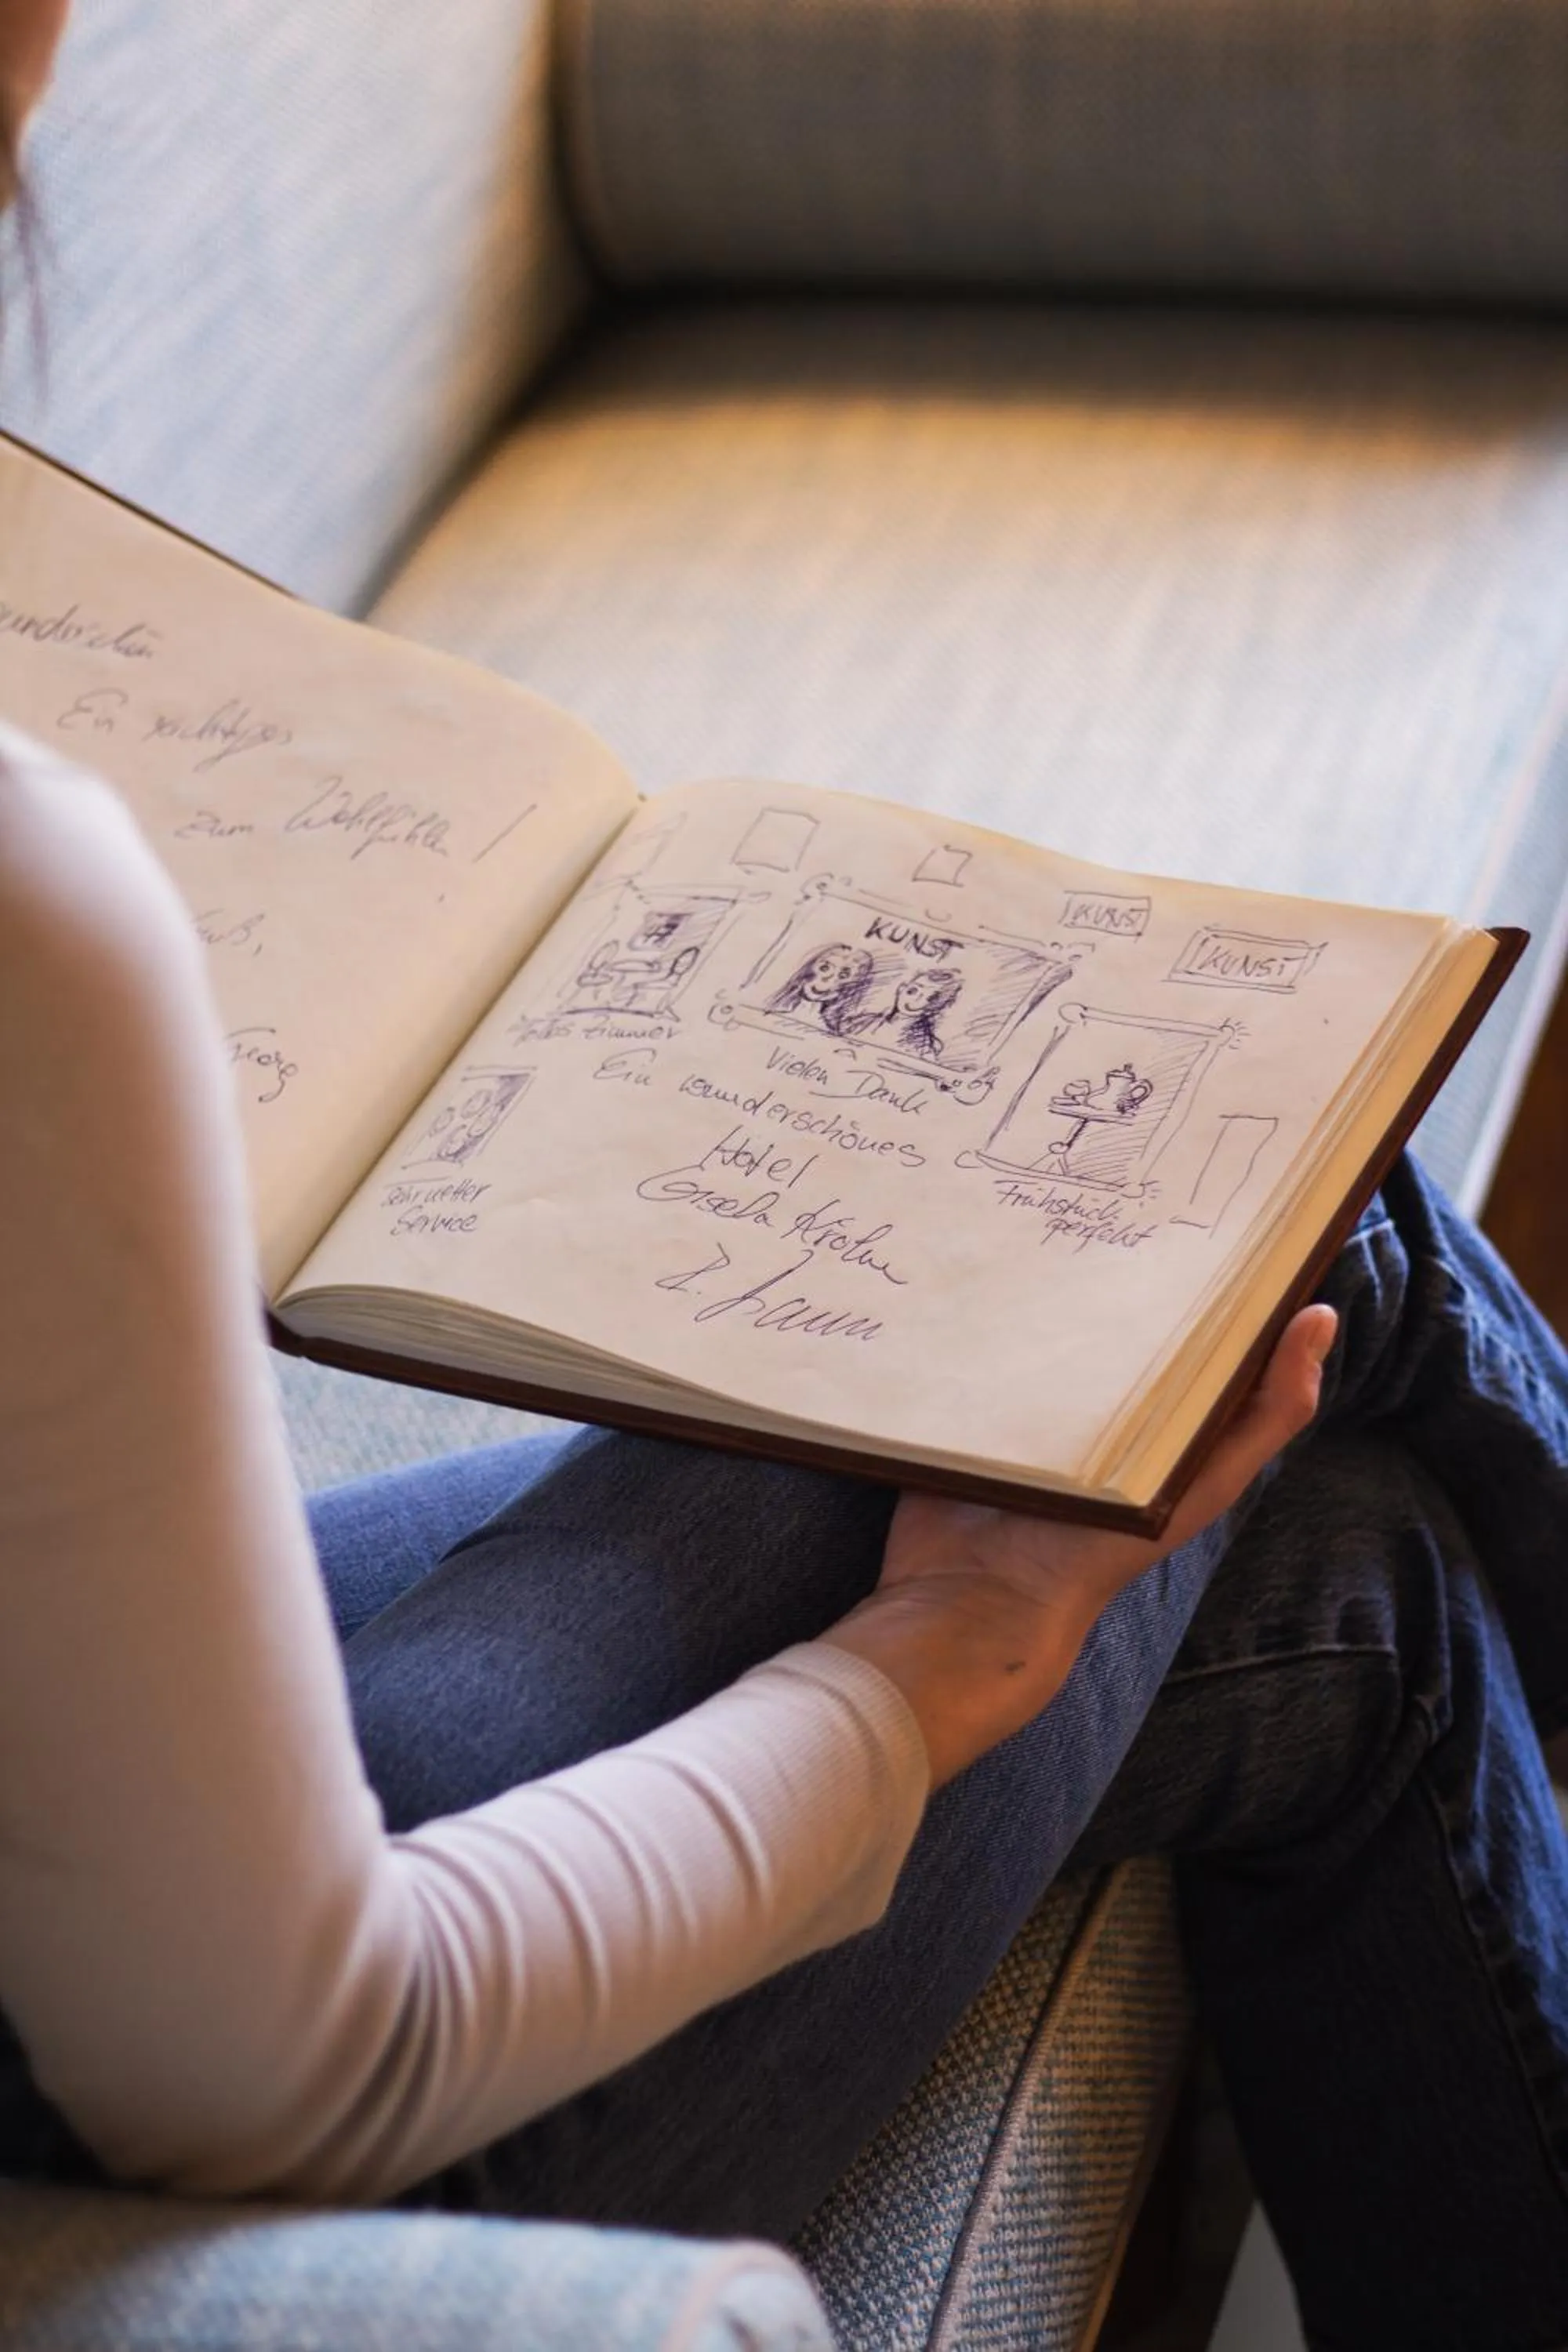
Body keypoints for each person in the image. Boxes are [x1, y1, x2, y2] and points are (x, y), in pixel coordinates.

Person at [3, 27, 1568, 2351]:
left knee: (1328, 1526)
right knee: (1250, 1261)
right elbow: (304, 2073)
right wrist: (935, 1667)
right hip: (198, 2085)